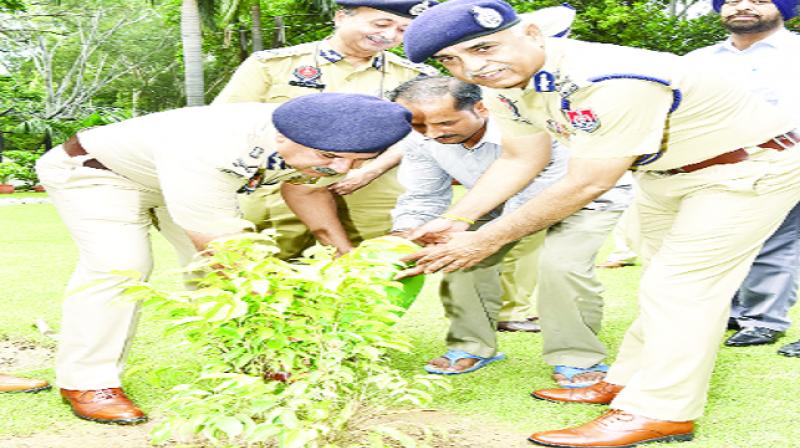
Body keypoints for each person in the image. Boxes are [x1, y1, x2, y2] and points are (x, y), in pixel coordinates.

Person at [399, 0, 800, 446]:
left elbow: (586, 183)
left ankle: (661, 412)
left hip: (747, 169)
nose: (473, 66)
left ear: (531, 33)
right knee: (660, 283)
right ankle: (628, 381)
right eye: (452, 59)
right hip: (664, 172)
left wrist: (485, 239)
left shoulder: (608, 78)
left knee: (680, 287)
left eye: (485, 47)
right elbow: (520, 157)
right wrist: (459, 219)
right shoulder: (505, 83)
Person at [35, 93, 412, 425]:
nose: (342, 170)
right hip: (99, 174)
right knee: (121, 267)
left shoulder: (322, 136)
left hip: (180, 181)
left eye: (358, 161)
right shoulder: (213, 146)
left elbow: (307, 190)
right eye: (330, 158)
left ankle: (245, 363)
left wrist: (346, 256)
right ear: (282, 137)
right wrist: (285, 329)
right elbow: (225, 255)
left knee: (208, 277)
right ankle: (88, 382)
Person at [389, 76, 627, 384]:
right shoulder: (420, 141)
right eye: (420, 126)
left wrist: (479, 236)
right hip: (493, 202)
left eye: (445, 122)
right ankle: (471, 346)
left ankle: (577, 358)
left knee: (561, 267)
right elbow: (423, 195)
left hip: (584, 198)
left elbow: (541, 196)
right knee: (459, 259)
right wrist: (406, 235)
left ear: (481, 107)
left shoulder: (533, 127)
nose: (432, 134)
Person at [213, 0, 438, 259]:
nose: (389, 35)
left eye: (403, 30)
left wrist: (372, 169)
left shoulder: (415, 77)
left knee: (382, 268)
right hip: (281, 188)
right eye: (381, 24)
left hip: (372, 188)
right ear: (341, 17)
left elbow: (421, 133)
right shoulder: (271, 66)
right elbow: (226, 126)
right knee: (266, 270)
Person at [686, 0, 800, 352]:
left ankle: (764, 319)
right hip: (716, 165)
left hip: (788, 160)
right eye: (732, 1)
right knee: (721, 242)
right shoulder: (698, 61)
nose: (743, 7)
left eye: (759, 0)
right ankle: (735, 310)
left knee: (778, 242)